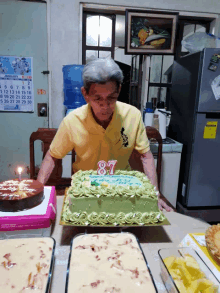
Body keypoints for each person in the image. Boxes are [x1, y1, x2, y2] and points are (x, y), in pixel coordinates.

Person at [37, 58, 173, 212]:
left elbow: (146, 156)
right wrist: (38, 190)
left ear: (119, 91)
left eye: (111, 98)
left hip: (122, 192)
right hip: (86, 193)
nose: (105, 106)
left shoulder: (132, 115)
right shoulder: (72, 121)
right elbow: (52, 156)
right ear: (85, 94)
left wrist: (155, 193)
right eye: (98, 99)